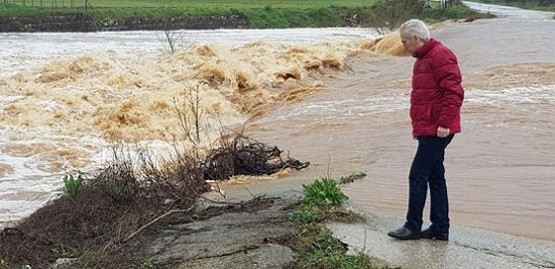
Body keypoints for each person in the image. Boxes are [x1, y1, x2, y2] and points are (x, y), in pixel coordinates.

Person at [387, 19, 464, 241]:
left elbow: (454, 92)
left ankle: (412, 226)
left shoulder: (441, 55)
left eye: (404, 42)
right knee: (435, 177)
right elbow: (423, 97)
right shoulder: (422, 59)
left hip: (438, 129)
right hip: (428, 128)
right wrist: (419, 128)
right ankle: (440, 228)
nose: (403, 47)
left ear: (416, 39)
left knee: (417, 175)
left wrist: (444, 123)